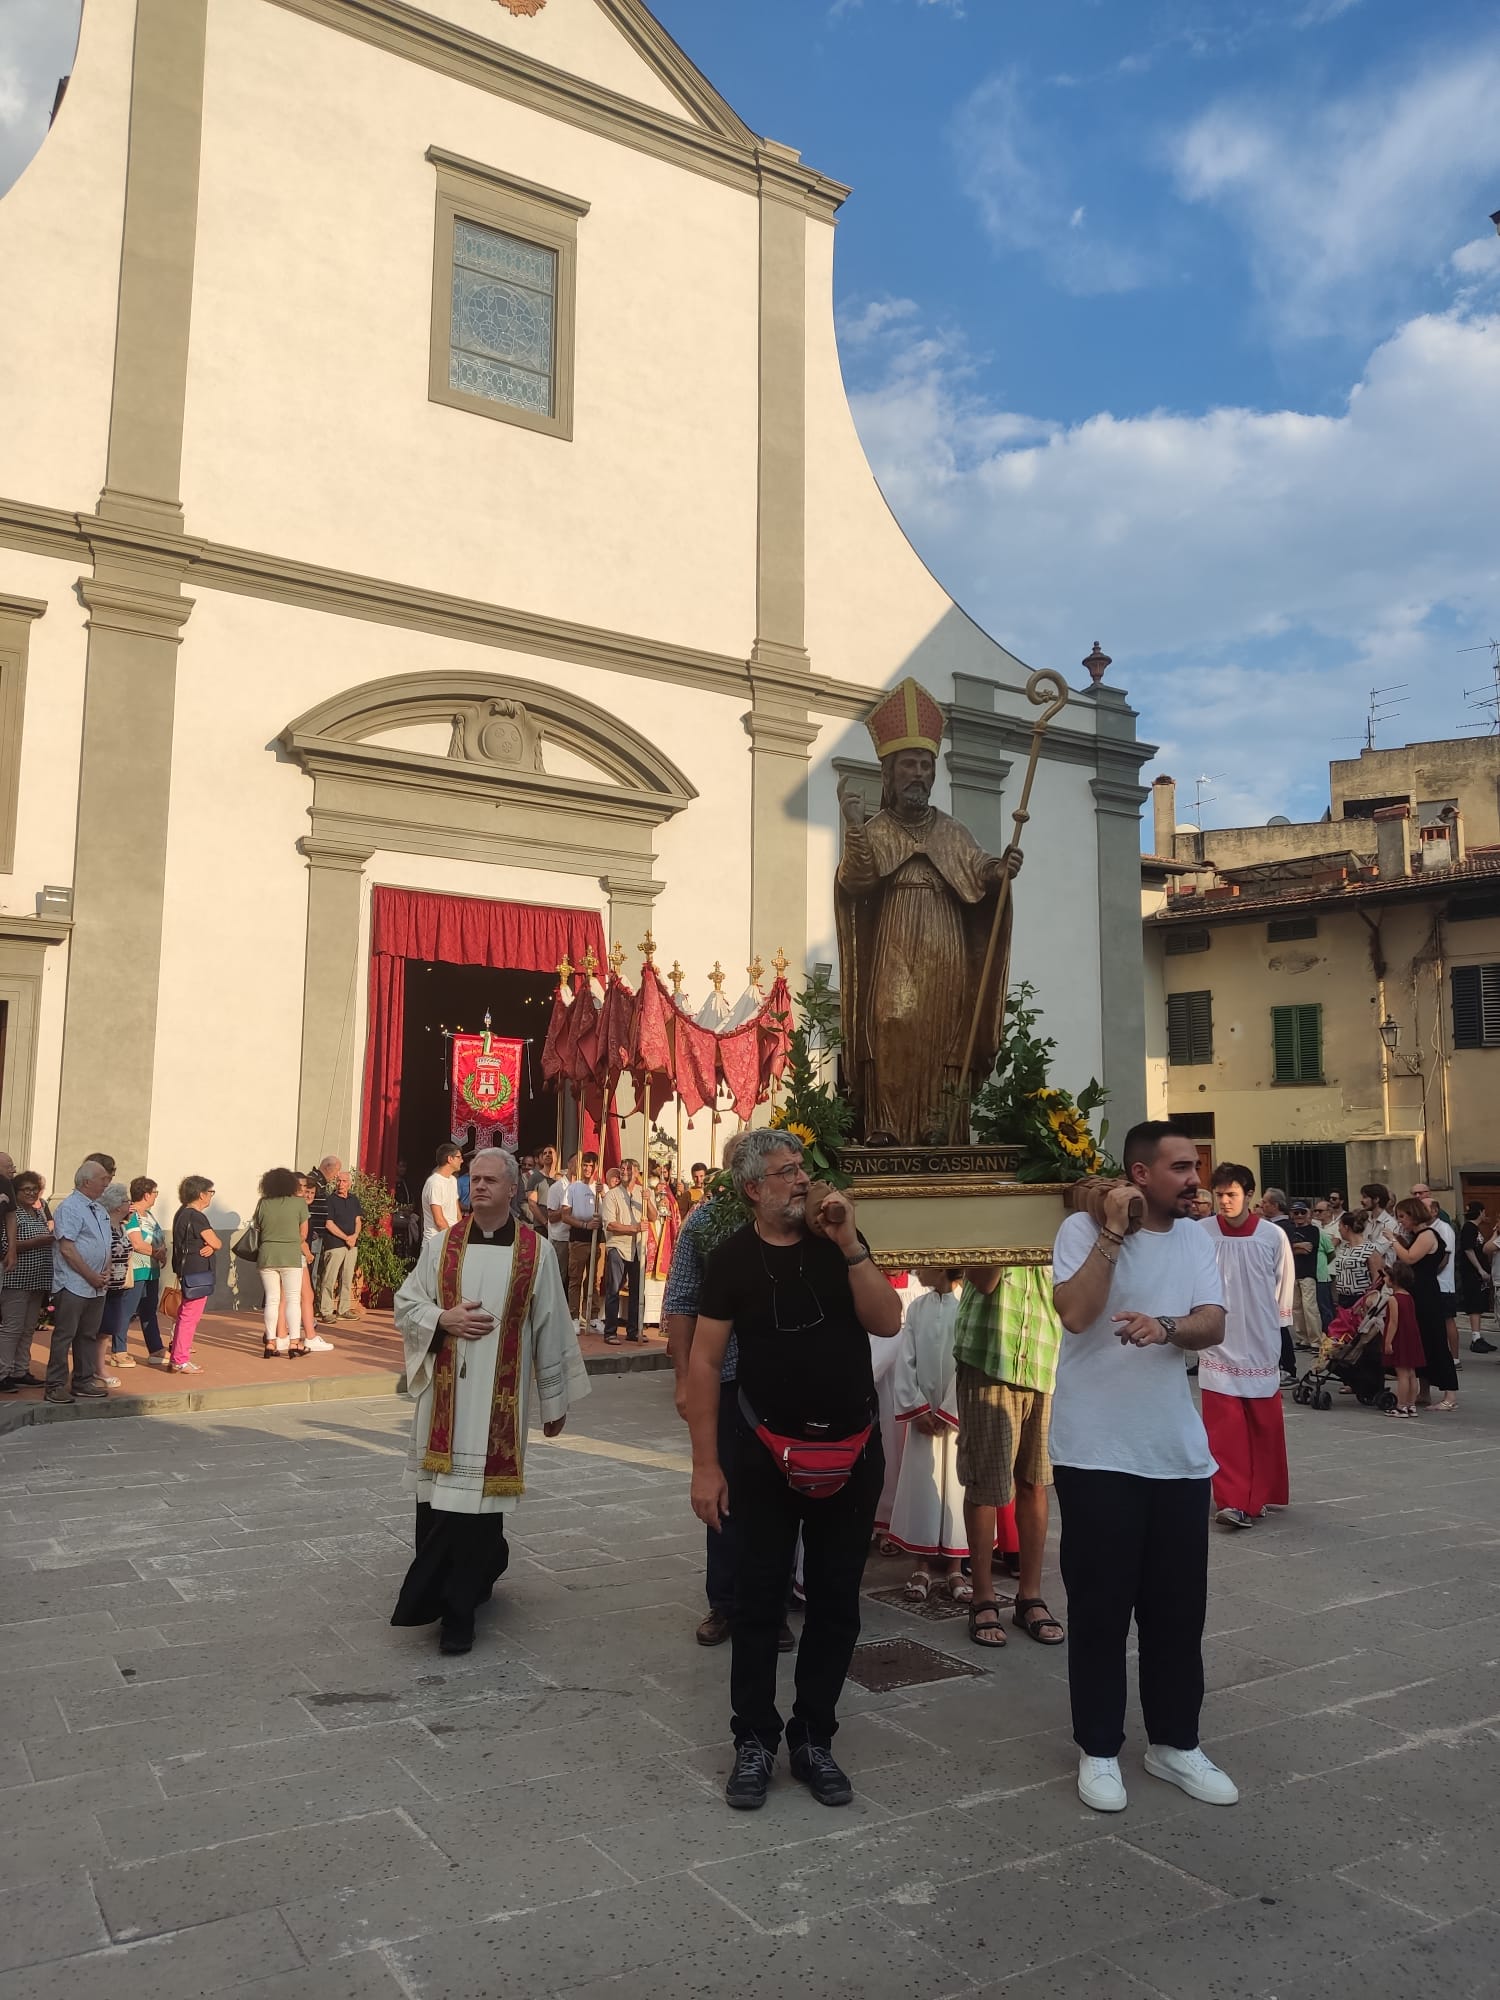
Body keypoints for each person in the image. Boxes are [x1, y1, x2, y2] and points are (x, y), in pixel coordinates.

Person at [685, 1130, 902, 1811]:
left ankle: (814, 1737)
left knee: (836, 1605)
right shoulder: (731, 1260)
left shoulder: (839, 1246)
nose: (803, 1181)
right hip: (762, 1458)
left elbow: (888, 1320)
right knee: (757, 1603)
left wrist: (849, 1244)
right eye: (786, 1172)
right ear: (754, 1189)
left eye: (803, 1168)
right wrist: (704, 1467)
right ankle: (754, 1740)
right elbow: (702, 1363)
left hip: (851, 1452)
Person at [1050, 1122, 1237, 1815]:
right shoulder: (1080, 1231)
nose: (1196, 1179)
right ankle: (1099, 1750)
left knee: (1178, 1611)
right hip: (1097, 1451)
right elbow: (1074, 1314)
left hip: (1177, 1456)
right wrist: (1112, 1233)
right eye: (1183, 1167)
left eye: (1197, 1166)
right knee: (1100, 1610)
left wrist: (1165, 1326)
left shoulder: (1196, 1237)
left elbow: (1213, 1321)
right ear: (1141, 1171)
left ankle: (1175, 1744)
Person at [391, 1148, 588, 1655]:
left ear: (512, 1188)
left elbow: (551, 1326)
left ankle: (464, 1603)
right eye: (473, 1179)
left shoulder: (535, 1251)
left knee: (480, 1510)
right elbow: (408, 1302)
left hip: (498, 1405)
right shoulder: (442, 1247)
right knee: (440, 1503)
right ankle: (448, 1600)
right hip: (445, 1400)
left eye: (489, 1180)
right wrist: (443, 1320)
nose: (477, 1187)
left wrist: (554, 1400)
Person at [663, 1137, 791, 1651]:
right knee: (724, 1489)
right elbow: (681, 1300)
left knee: (782, 1497)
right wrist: (681, 1379)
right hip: (726, 1378)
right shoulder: (707, 1220)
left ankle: (774, 1606)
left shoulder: (792, 1220)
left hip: (782, 1381)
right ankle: (725, 1603)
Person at [952, 1251, 1066, 1652]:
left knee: (1036, 1482)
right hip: (989, 1354)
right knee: (986, 1484)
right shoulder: (992, 1206)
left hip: (1044, 1354)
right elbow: (983, 1279)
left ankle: (1029, 1597)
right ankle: (983, 1598)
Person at [1199, 1165, 1294, 1529]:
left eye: (1232, 1194)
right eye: (1219, 1194)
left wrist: (1276, 1327)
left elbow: (1282, 1287)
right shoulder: (1200, 1233)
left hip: (1258, 1339)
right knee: (1224, 1430)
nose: (1224, 1201)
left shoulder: (1272, 1236)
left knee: (1263, 1426)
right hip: (1217, 1342)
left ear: (1249, 1195)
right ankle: (1233, 1500)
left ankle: (1259, 1493)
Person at [888, 1269, 969, 1601]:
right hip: (924, 1415)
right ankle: (921, 1565)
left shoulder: (967, 1305)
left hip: (955, 1416)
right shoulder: (917, 1308)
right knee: (923, 1484)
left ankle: (955, 1567)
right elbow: (905, 1360)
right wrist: (917, 1406)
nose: (917, 1269)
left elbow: (967, 1359)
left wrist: (951, 1408)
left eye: (924, 1262)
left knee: (957, 1487)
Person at [46, 1160, 114, 1404]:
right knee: (65, 1335)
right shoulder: (70, 1207)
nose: (107, 1183)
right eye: (103, 1178)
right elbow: (67, 1248)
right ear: (87, 1182)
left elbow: (106, 1245)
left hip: (96, 1285)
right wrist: (91, 1275)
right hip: (74, 1283)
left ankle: (83, 1380)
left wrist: (104, 1272)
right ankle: (55, 1385)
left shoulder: (99, 1209)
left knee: (88, 1334)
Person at [1386, 1197, 1458, 1411]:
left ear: (1414, 1215)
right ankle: (1424, 1391)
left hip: (1427, 1294)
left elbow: (1409, 1258)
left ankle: (1450, 1395)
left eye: (1403, 1216)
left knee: (1435, 1340)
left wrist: (1393, 1240)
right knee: (1421, 1342)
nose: (1401, 1221)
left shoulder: (1428, 1235)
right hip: (1417, 1292)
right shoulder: (1418, 1235)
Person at [0, 1171, 52, 1391]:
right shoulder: (14, 1215)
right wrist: (38, 1241)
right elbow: (6, 1246)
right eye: (26, 1189)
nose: (31, 1193)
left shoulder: (38, 1213)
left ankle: (20, 1370)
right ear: (16, 1191)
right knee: (12, 1328)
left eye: (35, 1189)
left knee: (28, 1328)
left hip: (37, 1280)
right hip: (17, 1279)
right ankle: (3, 1373)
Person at [251, 1169, 309, 1359]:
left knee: (272, 1300)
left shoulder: (263, 1203)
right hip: (291, 1254)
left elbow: (257, 1227)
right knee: (293, 1299)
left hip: (267, 1255)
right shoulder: (299, 1203)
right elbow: (303, 1234)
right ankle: (294, 1343)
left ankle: (270, 1342)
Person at [169, 1176, 220, 1373]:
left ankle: (178, 1354)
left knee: (185, 1314)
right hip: (197, 1272)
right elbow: (216, 1242)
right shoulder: (196, 1216)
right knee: (190, 1316)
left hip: (187, 1270)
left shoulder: (181, 1213)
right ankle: (181, 1359)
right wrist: (212, 1246)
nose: (211, 1197)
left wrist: (209, 1246)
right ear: (201, 1194)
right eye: (210, 1192)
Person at [599, 1157, 651, 1345]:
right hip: (618, 1247)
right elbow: (610, 1224)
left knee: (638, 1290)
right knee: (614, 1289)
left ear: (636, 1172)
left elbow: (652, 1216)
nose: (625, 1172)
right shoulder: (612, 1195)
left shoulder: (643, 1193)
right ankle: (610, 1332)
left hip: (638, 1247)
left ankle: (634, 1330)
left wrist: (648, 1201)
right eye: (622, 1169)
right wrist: (634, 1228)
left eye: (629, 1169)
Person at [118, 1178, 169, 1367]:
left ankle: (155, 1349)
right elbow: (136, 1243)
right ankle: (119, 1350)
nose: (156, 1196)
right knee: (127, 1310)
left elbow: (157, 1238)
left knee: (149, 1310)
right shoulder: (131, 1214)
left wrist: (162, 1252)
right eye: (155, 1193)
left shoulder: (149, 1215)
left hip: (151, 1270)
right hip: (137, 1269)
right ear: (147, 1194)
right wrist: (157, 1252)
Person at [96, 1183, 136, 1386]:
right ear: (116, 1205)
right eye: (126, 1200)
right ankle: (96, 1370)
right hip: (102, 1286)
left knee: (108, 1329)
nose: (130, 1203)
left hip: (118, 1286)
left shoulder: (120, 1226)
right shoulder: (103, 1225)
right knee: (99, 1330)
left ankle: (98, 1369)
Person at [562, 1152, 603, 1328]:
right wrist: (584, 1225)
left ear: (595, 1168)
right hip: (579, 1238)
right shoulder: (573, 1188)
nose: (587, 1169)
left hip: (597, 1238)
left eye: (590, 1165)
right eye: (585, 1165)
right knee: (575, 1278)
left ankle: (593, 1316)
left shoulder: (601, 1188)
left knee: (593, 1280)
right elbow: (565, 1215)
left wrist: (603, 1195)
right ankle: (573, 1316)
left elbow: (608, 1213)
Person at [317, 1167, 363, 1324]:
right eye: (338, 1181)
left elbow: (358, 1221)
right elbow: (329, 1224)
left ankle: (344, 1309)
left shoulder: (354, 1200)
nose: (341, 1184)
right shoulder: (330, 1200)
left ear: (350, 1183)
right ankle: (326, 1311)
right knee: (329, 1278)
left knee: (347, 1277)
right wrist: (346, 1238)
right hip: (335, 1244)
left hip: (352, 1245)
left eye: (344, 1181)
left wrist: (355, 1236)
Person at [1382, 1263, 1425, 1417]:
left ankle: (1400, 1406)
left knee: (1401, 1373)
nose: (1384, 1279)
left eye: (1386, 1276)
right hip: (1412, 1337)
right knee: (1411, 1372)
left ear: (1393, 1280)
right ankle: (1411, 1405)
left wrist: (1388, 1341)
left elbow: (1394, 1322)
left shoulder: (1393, 1299)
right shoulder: (1409, 1297)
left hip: (1400, 1338)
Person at [1424, 1195, 1460, 1364]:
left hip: (1443, 1283)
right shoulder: (1426, 1229)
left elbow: (1444, 1258)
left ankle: (1454, 1358)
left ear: (1435, 1210)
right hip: (1432, 1283)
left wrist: (1428, 1273)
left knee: (1447, 1319)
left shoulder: (1444, 1229)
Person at [642, 1167, 679, 1328]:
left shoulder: (669, 1196)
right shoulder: (645, 1192)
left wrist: (666, 1210)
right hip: (648, 1236)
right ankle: (643, 1317)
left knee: (659, 1281)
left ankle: (655, 1317)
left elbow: (674, 1217)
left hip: (662, 1234)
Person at [1284, 1200, 1322, 1352]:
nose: (1299, 1215)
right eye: (1296, 1212)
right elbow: (1284, 1249)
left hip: (1307, 1273)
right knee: (1296, 1308)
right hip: (1293, 1273)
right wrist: (1299, 1246)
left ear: (1308, 1214)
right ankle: (1303, 1339)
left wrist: (1293, 1248)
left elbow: (1309, 1249)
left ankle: (1316, 1340)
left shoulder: (1313, 1230)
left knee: (1310, 1308)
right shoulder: (1289, 1230)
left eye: (1302, 1212)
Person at [1459, 1202, 1495, 1352]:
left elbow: (1483, 1248)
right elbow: (1468, 1249)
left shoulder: (1474, 1228)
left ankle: (1478, 1336)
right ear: (1481, 1212)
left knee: (1479, 1304)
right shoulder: (1469, 1228)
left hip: (1477, 1273)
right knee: (1475, 1305)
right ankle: (1475, 1337)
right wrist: (1480, 1269)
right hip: (1472, 1274)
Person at [1331, 1210, 1376, 1309]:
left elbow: (1376, 1277)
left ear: (1346, 1227)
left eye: (1340, 1226)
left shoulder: (1369, 1249)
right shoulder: (1345, 1248)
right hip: (1342, 1297)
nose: (1339, 1229)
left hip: (1360, 1298)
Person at [422, 1144, 463, 1243]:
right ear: (449, 1159)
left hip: (452, 1240)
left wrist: (461, 1233)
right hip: (436, 1241)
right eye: (459, 1157)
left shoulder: (453, 1180)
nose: (462, 1160)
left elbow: (456, 1211)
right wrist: (453, 1239)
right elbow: (439, 1220)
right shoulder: (434, 1183)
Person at [543, 1151, 573, 1289]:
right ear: (570, 1164)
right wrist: (567, 1209)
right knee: (558, 1278)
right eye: (578, 1163)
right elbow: (552, 1217)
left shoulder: (583, 1187)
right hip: (560, 1238)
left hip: (578, 1239)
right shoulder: (557, 1188)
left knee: (574, 1278)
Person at [1311, 1199, 1339, 1331]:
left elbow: (1332, 1246)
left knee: (1331, 1303)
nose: (1317, 1213)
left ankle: (1332, 1331)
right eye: (1315, 1210)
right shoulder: (1315, 1227)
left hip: (1332, 1269)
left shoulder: (1336, 1226)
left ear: (1329, 1212)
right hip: (1318, 1270)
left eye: (1320, 1211)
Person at [1360, 1184, 1398, 1275]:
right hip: (1366, 1273)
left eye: (1365, 1197)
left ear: (1376, 1199)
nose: (1361, 1201)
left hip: (1385, 1275)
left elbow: (1377, 1250)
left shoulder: (1390, 1223)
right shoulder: (1367, 1221)